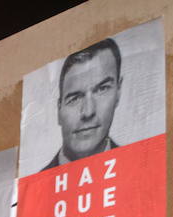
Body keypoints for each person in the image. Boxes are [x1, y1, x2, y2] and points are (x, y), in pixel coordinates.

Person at [42, 38, 123, 171]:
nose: (88, 112)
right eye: (74, 98)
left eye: (102, 89)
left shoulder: (143, 171)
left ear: (118, 92)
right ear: (59, 110)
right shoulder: (37, 188)